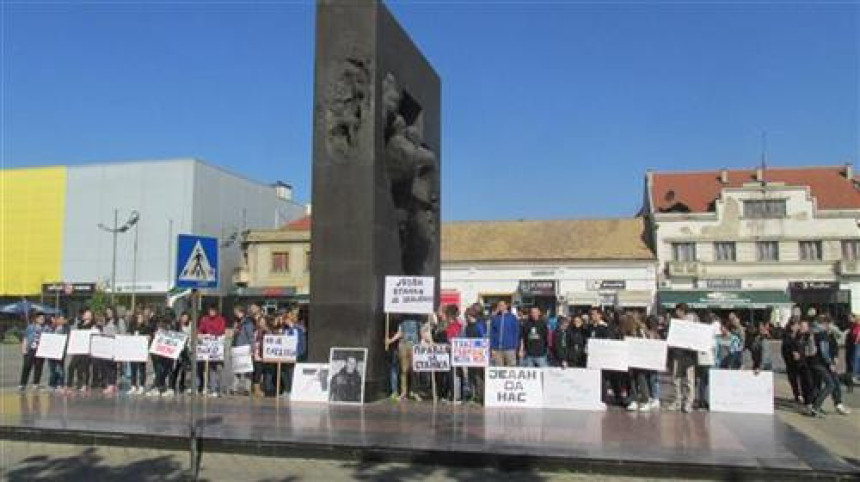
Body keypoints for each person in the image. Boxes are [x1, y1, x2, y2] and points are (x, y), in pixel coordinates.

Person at [806, 315, 851, 416]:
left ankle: (813, 405)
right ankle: (815, 407)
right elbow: (824, 351)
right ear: (825, 324)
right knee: (830, 384)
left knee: (818, 384)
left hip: (814, 362)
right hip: (820, 363)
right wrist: (830, 363)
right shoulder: (822, 334)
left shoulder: (814, 332)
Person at [668, 304, 698, 413]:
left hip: (689, 354)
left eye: (678, 311)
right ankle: (678, 401)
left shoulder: (693, 322)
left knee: (689, 380)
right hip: (677, 353)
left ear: (682, 311)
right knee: (676, 379)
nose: (676, 313)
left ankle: (688, 403)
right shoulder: (675, 323)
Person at [622, 314, 655, 411]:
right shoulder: (627, 331)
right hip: (630, 358)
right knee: (632, 379)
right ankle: (634, 399)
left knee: (641, 378)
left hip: (640, 359)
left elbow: (646, 342)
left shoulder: (641, 331)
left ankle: (645, 400)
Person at [386, 316, 423, 401]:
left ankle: (415, 391)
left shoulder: (418, 320)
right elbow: (400, 333)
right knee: (404, 370)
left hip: (415, 345)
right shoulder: (402, 320)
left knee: (415, 370)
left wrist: (428, 341)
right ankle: (404, 392)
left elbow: (422, 333)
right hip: (403, 345)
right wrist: (391, 340)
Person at [197, 305, 226, 397]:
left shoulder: (221, 319)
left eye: (213, 310)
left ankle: (220, 389)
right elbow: (200, 330)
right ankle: (212, 388)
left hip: (217, 347)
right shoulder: (204, 319)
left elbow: (221, 330)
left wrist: (212, 335)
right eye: (210, 310)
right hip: (208, 347)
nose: (211, 312)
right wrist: (200, 335)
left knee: (219, 368)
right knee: (210, 369)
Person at [460, 304, 487, 403]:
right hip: (470, 355)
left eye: (467, 316)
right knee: (471, 376)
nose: (466, 318)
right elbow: (465, 338)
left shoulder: (479, 325)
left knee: (479, 376)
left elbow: (484, 338)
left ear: (471, 316)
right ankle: (473, 395)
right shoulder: (467, 327)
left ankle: (480, 396)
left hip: (479, 355)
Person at [279, 309, 306, 398]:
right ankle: (286, 390)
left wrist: (296, 354)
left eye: (286, 319)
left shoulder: (297, 329)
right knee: (283, 372)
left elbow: (297, 342)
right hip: (284, 355)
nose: (284, 320)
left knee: (290, 373)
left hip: (294, 355)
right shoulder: (285, 329)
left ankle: (291, 390)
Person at [231, 305, 256, 396]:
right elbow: (235, 334)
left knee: (247, 369)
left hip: (245, 347)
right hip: (237, 347)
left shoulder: (247, 322)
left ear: (240, 311)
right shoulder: (237, 321)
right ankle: (234, 387)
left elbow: (251, 336)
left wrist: (252, 348)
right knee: (237, 368)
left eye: (236, 311)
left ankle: (247, 388)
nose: (234, 313)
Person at [67, 308, 94, 392]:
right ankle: (70, 385)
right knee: (71, 366)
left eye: (88, 314)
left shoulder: (92, 326)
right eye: (85, 314)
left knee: (84, 368)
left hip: (86, 349)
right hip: (78, 349)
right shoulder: (79, 324)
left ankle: (84, 384)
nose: (86, 315)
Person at [19, 313, 47, 391]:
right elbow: (25, 338)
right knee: (26, 367)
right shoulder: (30, 327)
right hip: (30, 350)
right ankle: (22, 384)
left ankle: (36, 384)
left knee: (38, 367)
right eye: (41, 318)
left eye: (43, 319)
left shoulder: (45, 328)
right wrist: (23, 349)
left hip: (40, 351)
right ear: (36, 319)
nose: (42, 320)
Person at [127, 312, 152, 395]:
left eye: (141, 317)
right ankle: (133, 386)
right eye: (138, 317)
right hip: (133, 351)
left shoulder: (146, 327)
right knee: (133, 368)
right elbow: (128, 335)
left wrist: (148, 337)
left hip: (142, 352)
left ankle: (141, 386)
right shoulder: (132, 327)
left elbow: (150, 336)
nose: (140, 319)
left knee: (142, 369)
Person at [489, 301, 519, 367]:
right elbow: (492, 333)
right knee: (499, 369)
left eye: (502, 305)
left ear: (506, 306)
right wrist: (492, 347)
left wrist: (515, 346)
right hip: (497, 349)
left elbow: (516, 332)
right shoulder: (495, 318)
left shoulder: (512, 317)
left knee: (511, 368)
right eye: (499, 305)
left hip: (510, 348)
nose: (500, 307)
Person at [169, 312, 193, 395]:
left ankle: (182, 385)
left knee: (184, 369)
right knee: (175, 368)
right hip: (177, 350)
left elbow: (191, 337)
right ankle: (172, 386)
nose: (184, 319)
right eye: (183, 317)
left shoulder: (190, 326)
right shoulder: (177, 325)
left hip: (186, 350)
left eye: (186, 317)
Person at [781, 319, 804, 404]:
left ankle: (801, 395)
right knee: (793, 380)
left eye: (798, 325)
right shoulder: (787, 337)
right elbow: (784, 350)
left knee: (800, 380)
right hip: (790, 362)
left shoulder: (800, 336)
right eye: (796, 325)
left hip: (800, 362)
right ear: (791, 327)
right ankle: (797, 396)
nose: (798, 327)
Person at [46, 314, 69, 392]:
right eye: (59, 319)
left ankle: (60, 384)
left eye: (63, 319)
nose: (61, 321)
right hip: (51, 351)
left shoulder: (66, 328)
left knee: (60, 368)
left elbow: (68, 338)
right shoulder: (51, 327)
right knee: (52, 368)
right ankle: (52, 384)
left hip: (61, 351)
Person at [101, 311, 119, 396]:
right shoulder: (105, 322)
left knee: (112, 366)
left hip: (114, 345)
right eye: (107, 312)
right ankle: (112, 384)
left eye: (110, 312)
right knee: (107, 365)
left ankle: (112, 384)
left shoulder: (117, 321)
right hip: (106, 346)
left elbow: (121, 332)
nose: (108, 314)